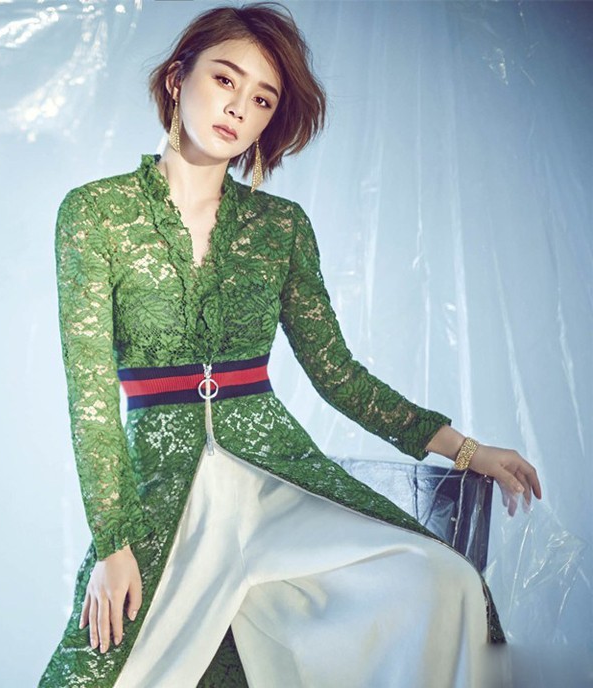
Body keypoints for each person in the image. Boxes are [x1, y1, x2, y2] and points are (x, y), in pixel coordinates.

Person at [39, 3, 543, 686]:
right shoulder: (94, 213)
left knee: (445, 580)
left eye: (262, 99)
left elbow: (337, 374)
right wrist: (112, 544)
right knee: (106, 668)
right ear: (178, 77)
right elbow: (91, 397)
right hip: (161, 494)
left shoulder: (282, 228)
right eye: (225, 79)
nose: (238, 107)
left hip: (275, 483)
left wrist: (467, 449)